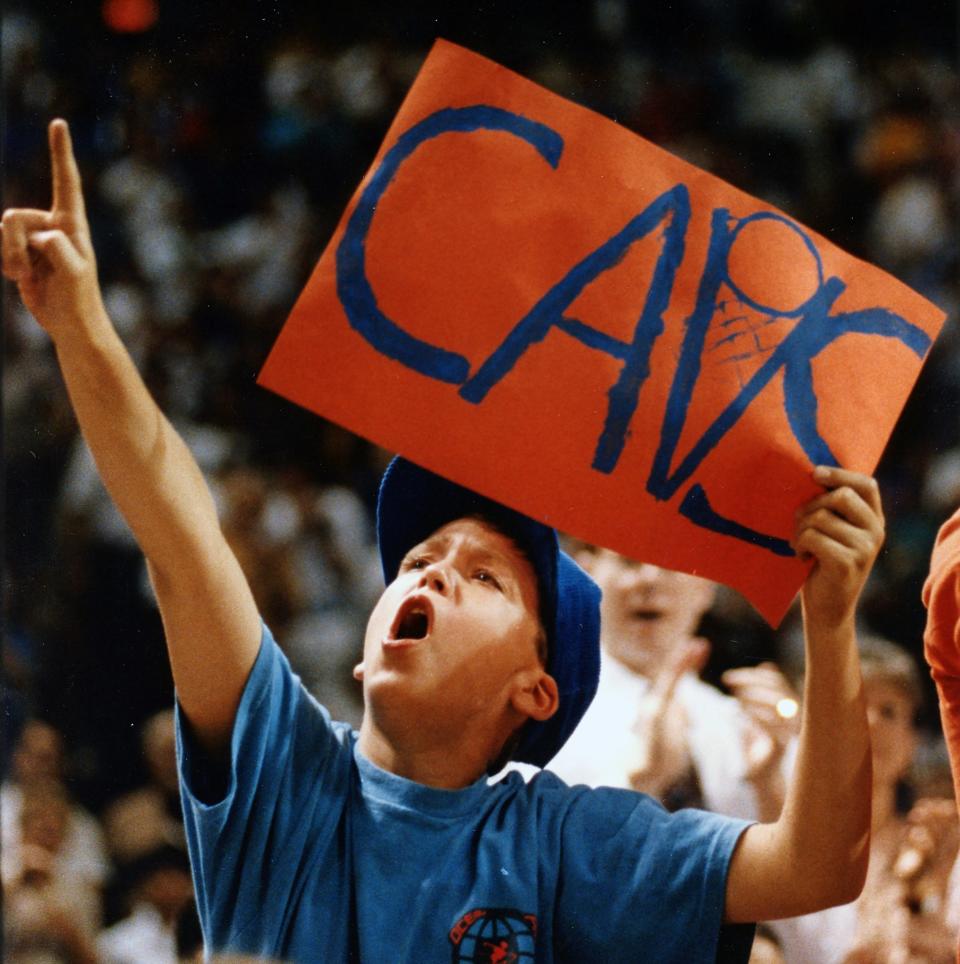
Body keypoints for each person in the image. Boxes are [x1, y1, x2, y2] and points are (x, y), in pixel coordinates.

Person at [3, 117, 884, 962]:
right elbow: (182, 535)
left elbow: (815, 869)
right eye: (420, 562)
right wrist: (81, 328)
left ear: (536, 691)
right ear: (361, 657)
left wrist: (832, 621)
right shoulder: (286, 772)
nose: (435, 574)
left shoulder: (563, 839)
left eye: (488, 578)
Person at [547, 554, 798, 820]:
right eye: (629, 562)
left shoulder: (738, 723)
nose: (650, 579)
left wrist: (768, 782)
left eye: (671, 564)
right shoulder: (548, 713)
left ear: (706, 588)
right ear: (588, 574)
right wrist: (642, 780)